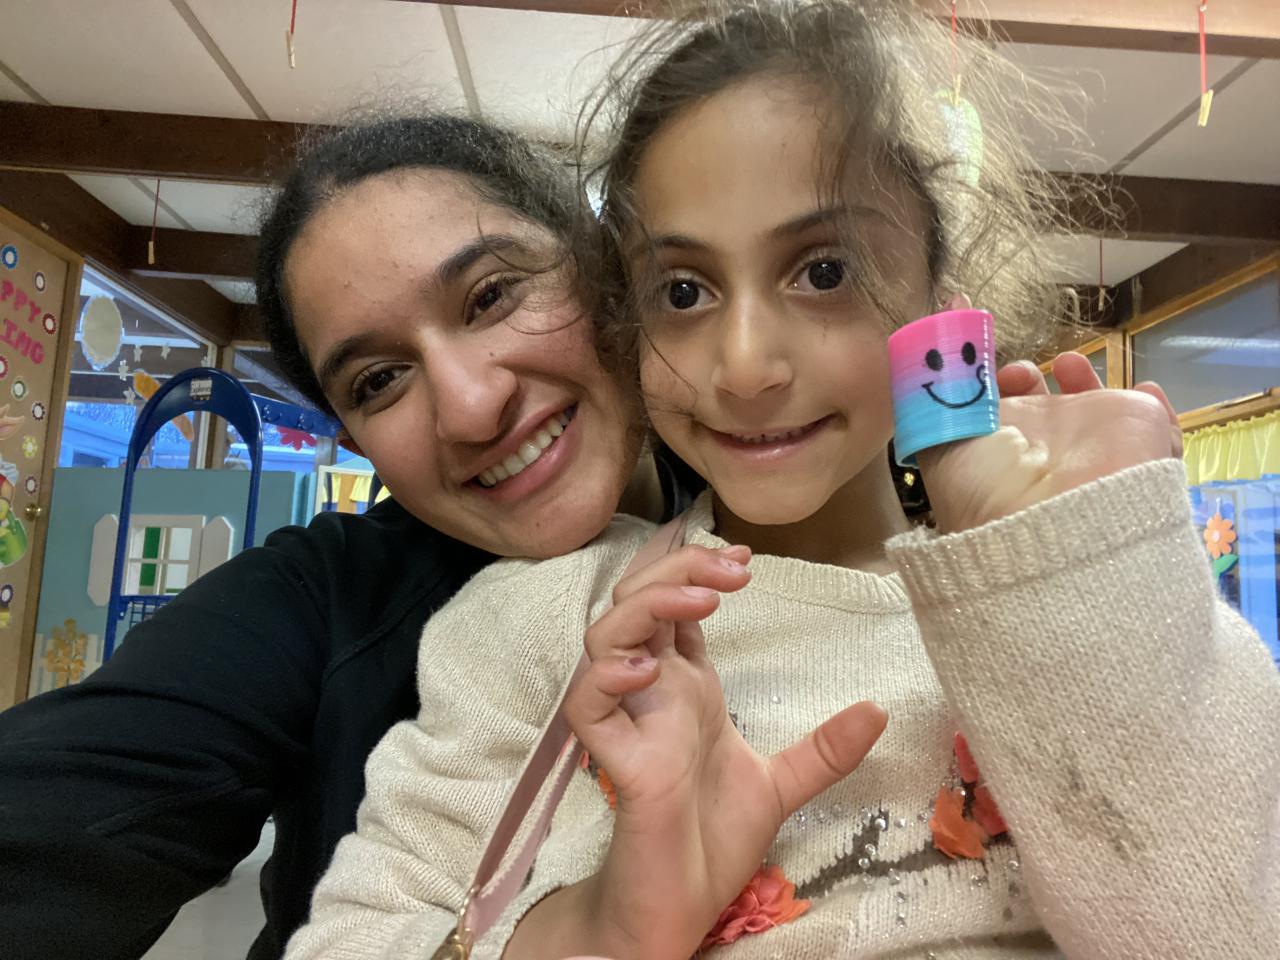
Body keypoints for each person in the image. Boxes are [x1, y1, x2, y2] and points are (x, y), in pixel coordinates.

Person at [283, 3, 1280, 959]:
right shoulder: (544, 627)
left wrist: (1077, 568)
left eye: (822, 271)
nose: (746, 365)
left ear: (940, 302)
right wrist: (602, 928)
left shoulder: (1077, 592)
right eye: (683, 291)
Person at [0, 115, 696, 960]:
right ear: (354, 439)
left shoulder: (791, 517)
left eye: (490, 297)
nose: (472, 407)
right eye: (380, 380)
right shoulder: (319, 603)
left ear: (600, 267)